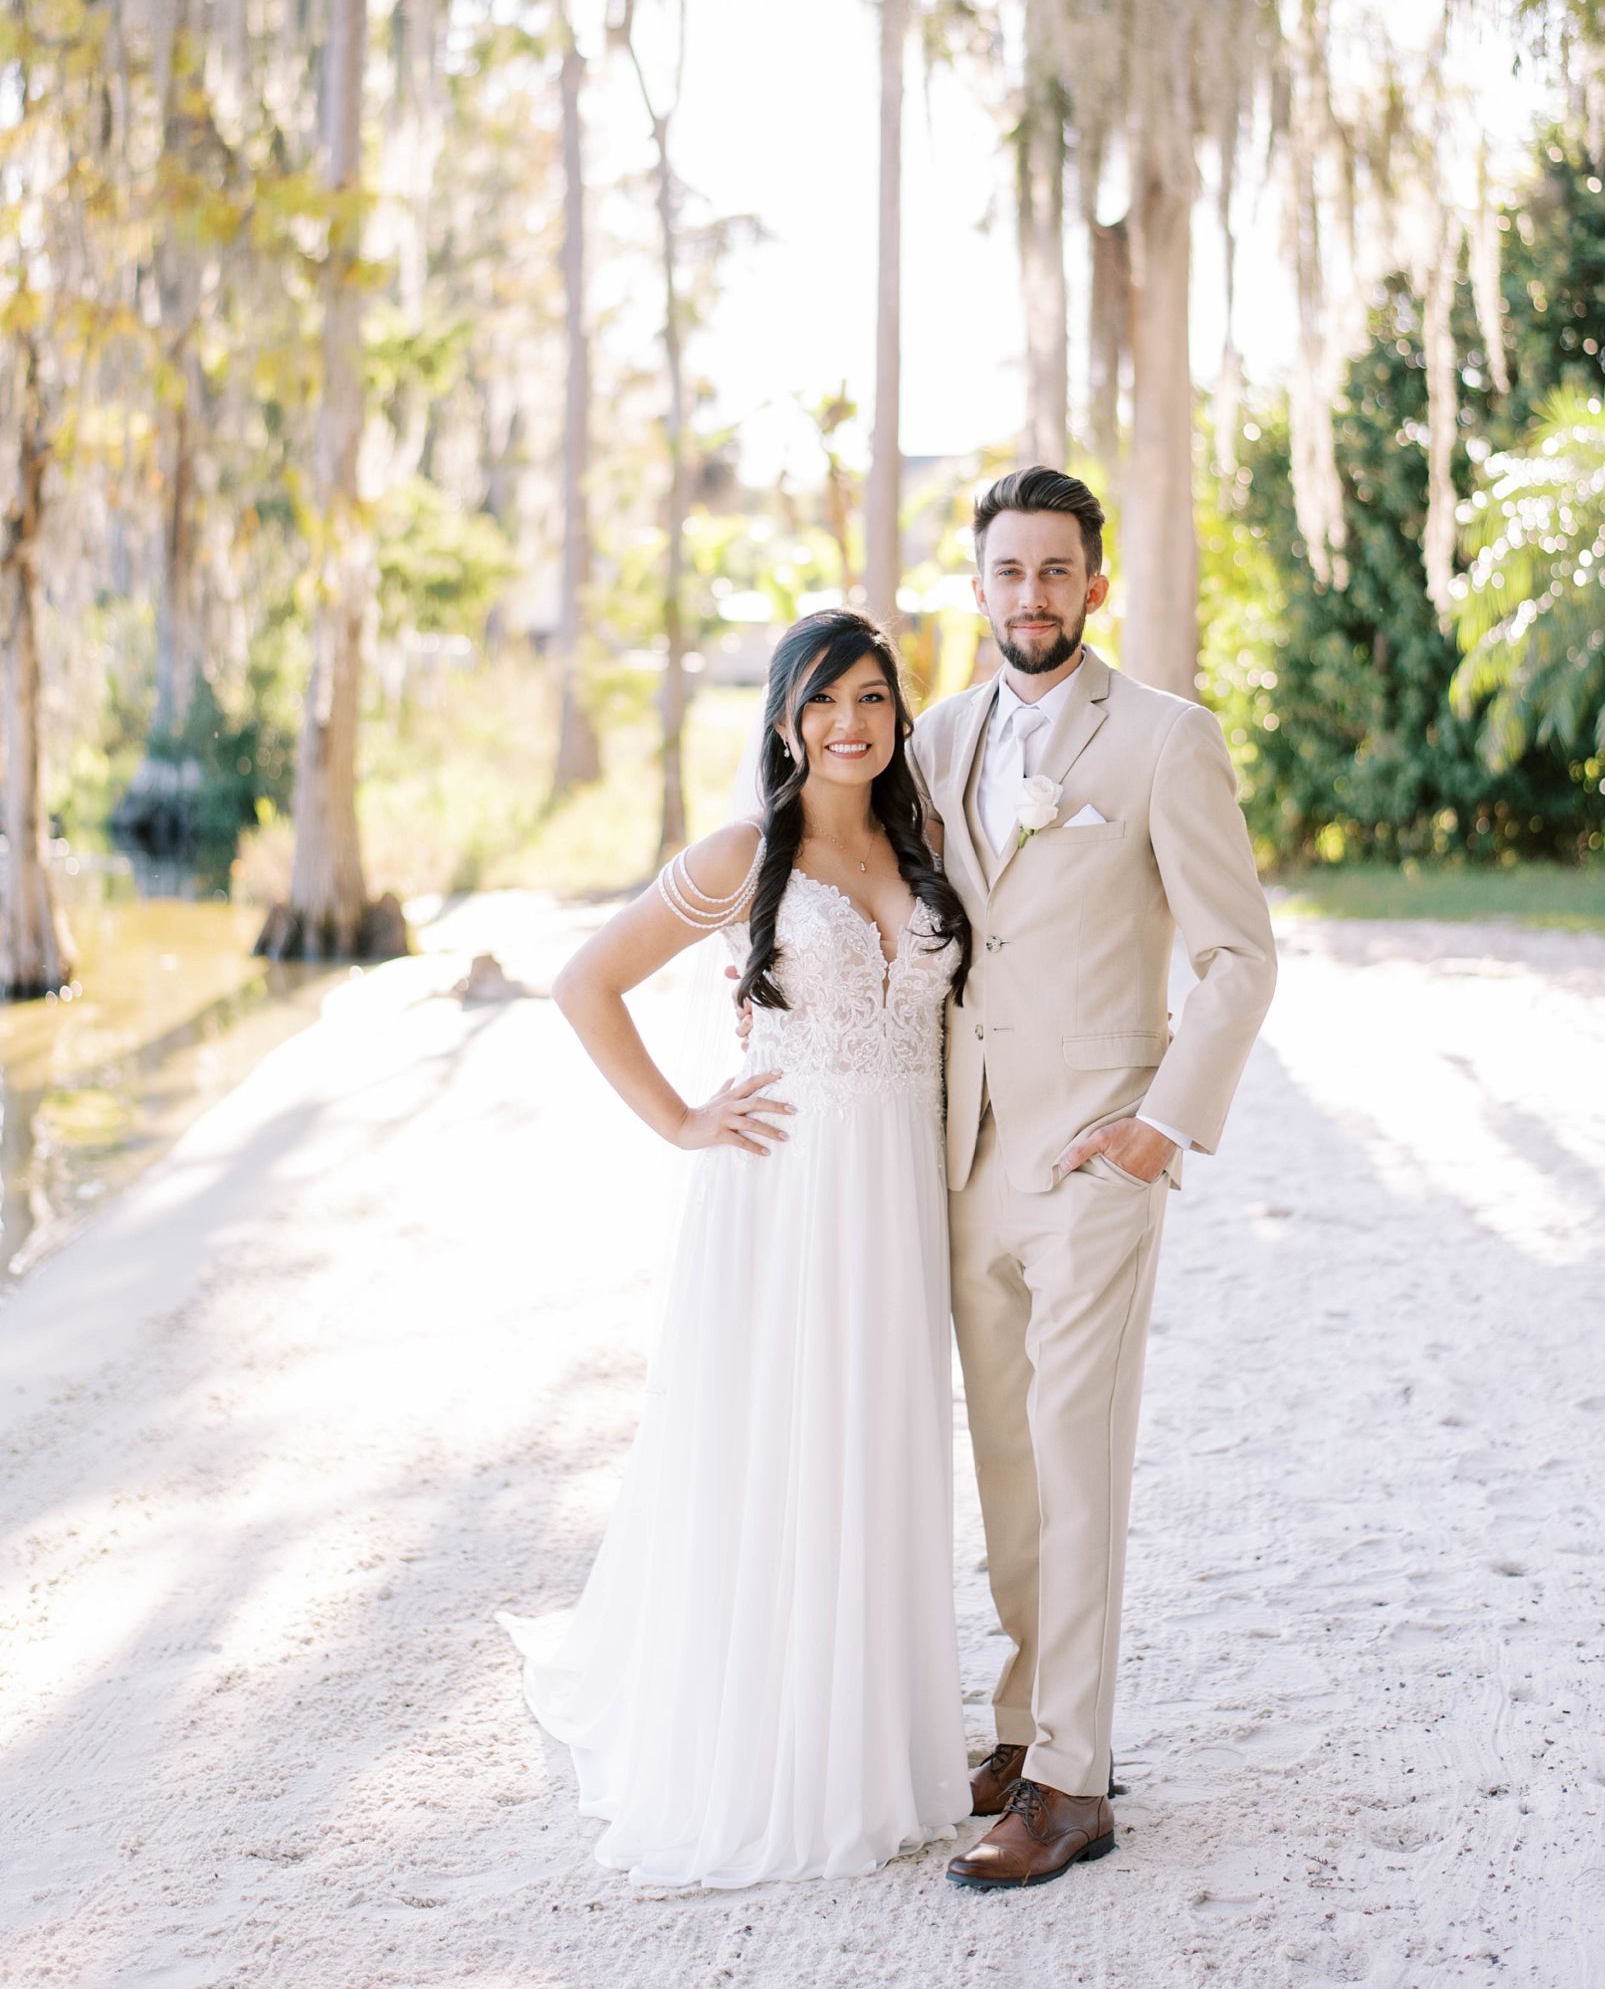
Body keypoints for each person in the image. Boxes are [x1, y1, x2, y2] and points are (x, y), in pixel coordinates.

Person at [496, 609, 974, 1888]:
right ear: (782, 720)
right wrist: (682, 1119)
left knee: (877, 1447)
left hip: (899, 1199)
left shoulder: (924, 846)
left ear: (896, 716)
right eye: (823, 701)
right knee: (779, 1445)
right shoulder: (738, 856)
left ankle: (874, 1737)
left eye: (871, 698)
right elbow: (584, 983)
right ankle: (774, 1747)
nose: (848, 724)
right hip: (781, 1191)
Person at [908, 464, 1277, 1891]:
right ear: (981, 584)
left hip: (1095, 1159)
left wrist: (1159, 1126)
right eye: (1009, 572)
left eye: (1057, 571)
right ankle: (1023, 1729)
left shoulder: (1166, 743)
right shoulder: (934, 741)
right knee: (1004, 1471)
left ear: (1092, 585)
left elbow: (1239, 955)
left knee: (1075, 1463)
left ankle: (1070, 1783)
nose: (1032, 596)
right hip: (964, 1160)